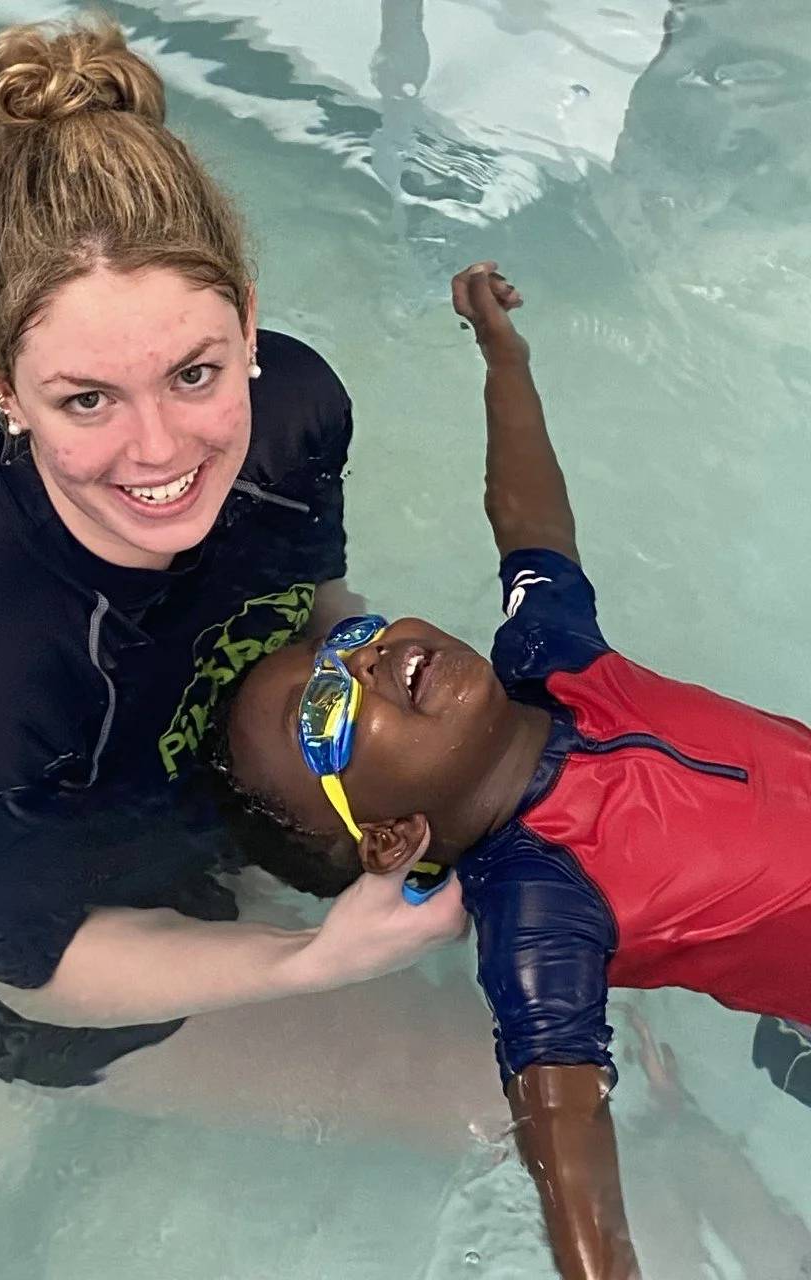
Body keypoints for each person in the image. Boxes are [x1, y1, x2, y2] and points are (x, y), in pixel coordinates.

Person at [0, 15, 470, 1186]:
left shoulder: (290, 409)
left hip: (192, 760)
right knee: (493, 1088)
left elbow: (315, 605)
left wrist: (442, 771)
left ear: (245, 316)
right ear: (3, 387)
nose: (161, 453)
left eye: (194, 371)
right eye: (86, 399)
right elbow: (28, 961)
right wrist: (307, 958)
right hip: (10, 905)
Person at [220, 261, 811, 1280]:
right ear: (394, 835)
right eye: (326, 706)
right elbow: (564, 1129)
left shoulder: (549, 658)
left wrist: (505, 359)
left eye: (348, 640)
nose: (362, 658)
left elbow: (529, 518)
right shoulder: (540, 904)